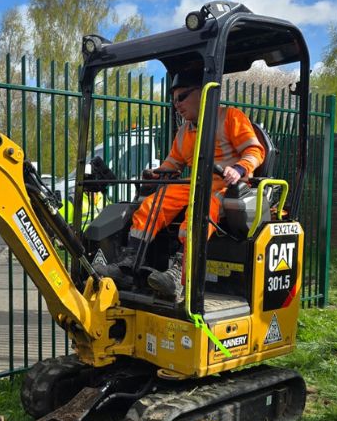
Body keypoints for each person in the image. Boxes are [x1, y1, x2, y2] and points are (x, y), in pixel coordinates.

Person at [103, 76, 265, 299]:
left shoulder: (230, 117)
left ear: (203, 93)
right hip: (196, 183)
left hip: (230, 187)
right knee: (152, 205)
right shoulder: (184, 132)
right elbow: (173, 163)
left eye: (181, 97)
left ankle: (179, 278)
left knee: (198, 211)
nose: (177, 104)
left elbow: (255, 151)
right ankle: (128, 266)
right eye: (174, 101)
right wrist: (157, 173)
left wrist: (239, 169)